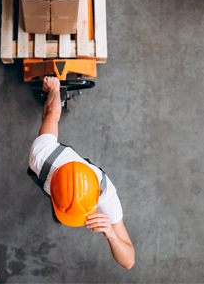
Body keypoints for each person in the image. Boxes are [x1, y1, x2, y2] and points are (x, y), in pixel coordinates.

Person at [28, 76, 135, 270]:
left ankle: (62, 206)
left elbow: (129, 261)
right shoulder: (41, 156)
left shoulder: (106, 196)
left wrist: (111, 233)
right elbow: (51, 112)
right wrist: (55, 90)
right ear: (51, 188)